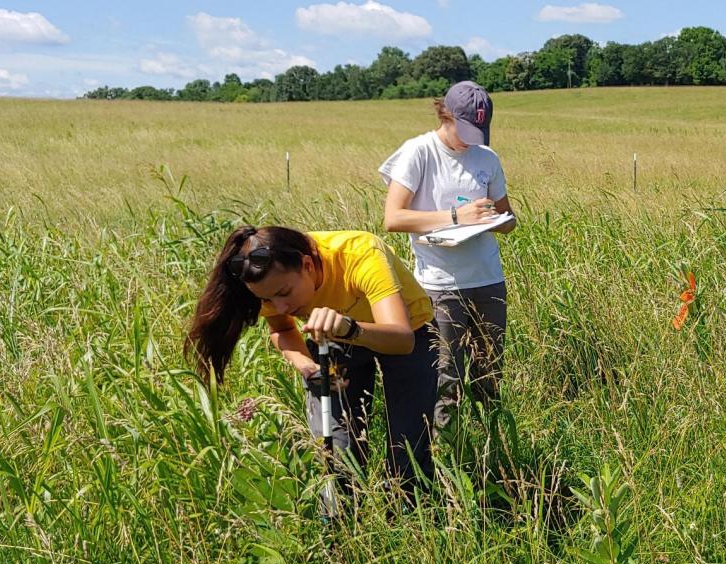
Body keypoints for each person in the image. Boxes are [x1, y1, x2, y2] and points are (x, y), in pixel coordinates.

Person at [186, 225, 439, 503]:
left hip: (407, 330)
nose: (278, 306)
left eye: (284, 293)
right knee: (334, 450)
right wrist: (309, 368)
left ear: (307, 264)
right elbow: (281, 329)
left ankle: (409, 517)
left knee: (408, 444)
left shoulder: (359, 254)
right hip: (335, 335)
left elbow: (402, 340)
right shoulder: (266, 280)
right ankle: (339, 528)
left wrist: (350, 329)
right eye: (267, 300)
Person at [380, 80, 516, 429]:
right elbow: (393, 218)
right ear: (446, 115)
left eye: (479, 131)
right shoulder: (418, 152)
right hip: (440, 285)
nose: (472, 140)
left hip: (488, 281)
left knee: (489, 374)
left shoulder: (487, 158)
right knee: (445, 380)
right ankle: (448, 454)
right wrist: (456, 217)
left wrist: (491, 219)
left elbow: (509, 220)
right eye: (466, 129)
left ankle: (491, 447)